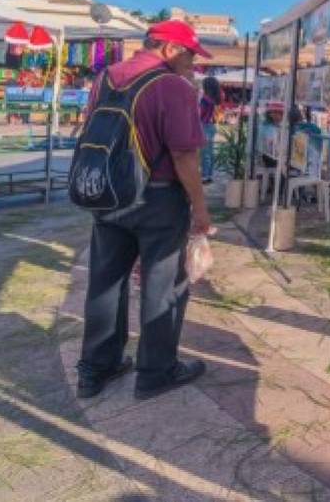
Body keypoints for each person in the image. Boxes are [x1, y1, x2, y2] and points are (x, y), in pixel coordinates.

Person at [76, 20, 212, 401]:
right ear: (169, 48)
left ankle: (95, 368)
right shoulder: (172, 86)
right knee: (163, 285)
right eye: (189, 56)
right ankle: (156, 371)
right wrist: (200, 211)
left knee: (105, 281)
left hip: (107, 194)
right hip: (157, 197)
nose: (192, 65)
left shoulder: (106, 76)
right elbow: (185, 154)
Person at [199, 76, 222, 184]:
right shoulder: (215, 98)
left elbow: (200, 114)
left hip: (205, 126)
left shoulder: (205, 99)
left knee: (205, 153)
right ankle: (209, 175)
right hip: (212, 126)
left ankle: (205, 176)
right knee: (210, 152)